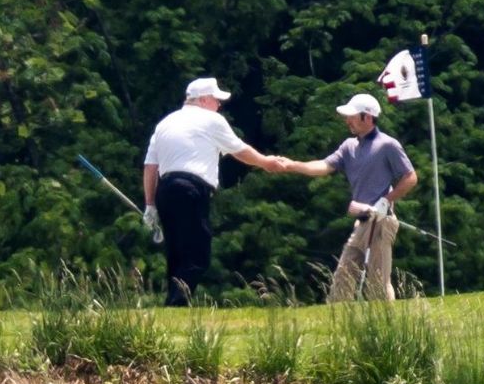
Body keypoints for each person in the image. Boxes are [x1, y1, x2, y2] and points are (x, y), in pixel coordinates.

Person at [142, 77, 285, 306]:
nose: (219, 105)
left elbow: (151, 167)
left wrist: (150, 204)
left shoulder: (165, 123)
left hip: (166, 190)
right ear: (204, 99)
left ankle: (174, 300)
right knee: (198, 253)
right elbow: (239, 150)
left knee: (176, 251)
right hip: (191, 189)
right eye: (217, 100)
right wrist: (266, 163)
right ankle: (176, 302)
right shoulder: (211, 120)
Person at [278, 93, 417, 301]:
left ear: (367, 118)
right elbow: (324, 166)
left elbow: (410, 177)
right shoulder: (348, 146)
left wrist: (386, 200)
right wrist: (292, 165)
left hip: (381, 220)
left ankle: (387, 324)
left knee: (378, 282)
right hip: (361, 221)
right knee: (342, 279)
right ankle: (338, 322)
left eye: (352, 116)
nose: (347, 120)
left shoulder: (388, 145)